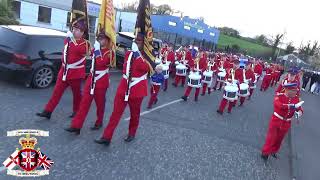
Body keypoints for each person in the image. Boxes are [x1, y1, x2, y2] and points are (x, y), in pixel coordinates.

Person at [94, 33, 151, 146]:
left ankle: (132, 133)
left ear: (144, 43)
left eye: (139, 41)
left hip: (137, 88)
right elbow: (124, 68)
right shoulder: (129, 53)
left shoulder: (148, 56)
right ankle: (107, 137)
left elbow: (145, 69)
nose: (136, 42)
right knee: (115, 113)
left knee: (134, 113)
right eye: (135, 40)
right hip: (124, 86)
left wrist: (138, 55)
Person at [36, 19, 90, 119]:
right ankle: (48, 111)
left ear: (83, 33)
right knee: (56, 92)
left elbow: (82, 51)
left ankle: (77, 111)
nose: (74, 31)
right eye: (74, 28)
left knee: (77, 94)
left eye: (78, 30)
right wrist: (70, 39)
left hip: (75, 73)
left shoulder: (85, 44)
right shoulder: (68, 39)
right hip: (64, 71)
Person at [64, 32, 114, 134]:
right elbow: (86, 53)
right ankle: (76, 126)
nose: (100, 40)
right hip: (91, 79)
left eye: (102, 39)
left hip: (101, 80)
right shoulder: (96, 49)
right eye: (99, 38)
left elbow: (101, 62)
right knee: (84, 103)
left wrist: (97, 51)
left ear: (107, 40)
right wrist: (71, 40)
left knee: (100, 105)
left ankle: (99, 121)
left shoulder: (110, 53)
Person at [261, 82, 304, 162]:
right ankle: (265, 153)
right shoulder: (279, 96)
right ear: (287, 90)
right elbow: (279, 105)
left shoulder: (296, 98)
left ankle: (273, 151)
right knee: (271, 137)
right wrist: (290, 106)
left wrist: (299, 113)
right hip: (276, 119)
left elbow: (300, 109)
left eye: (296, 91)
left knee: (279, 139)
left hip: (287, 122)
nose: (296, 92)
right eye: (294, 91)